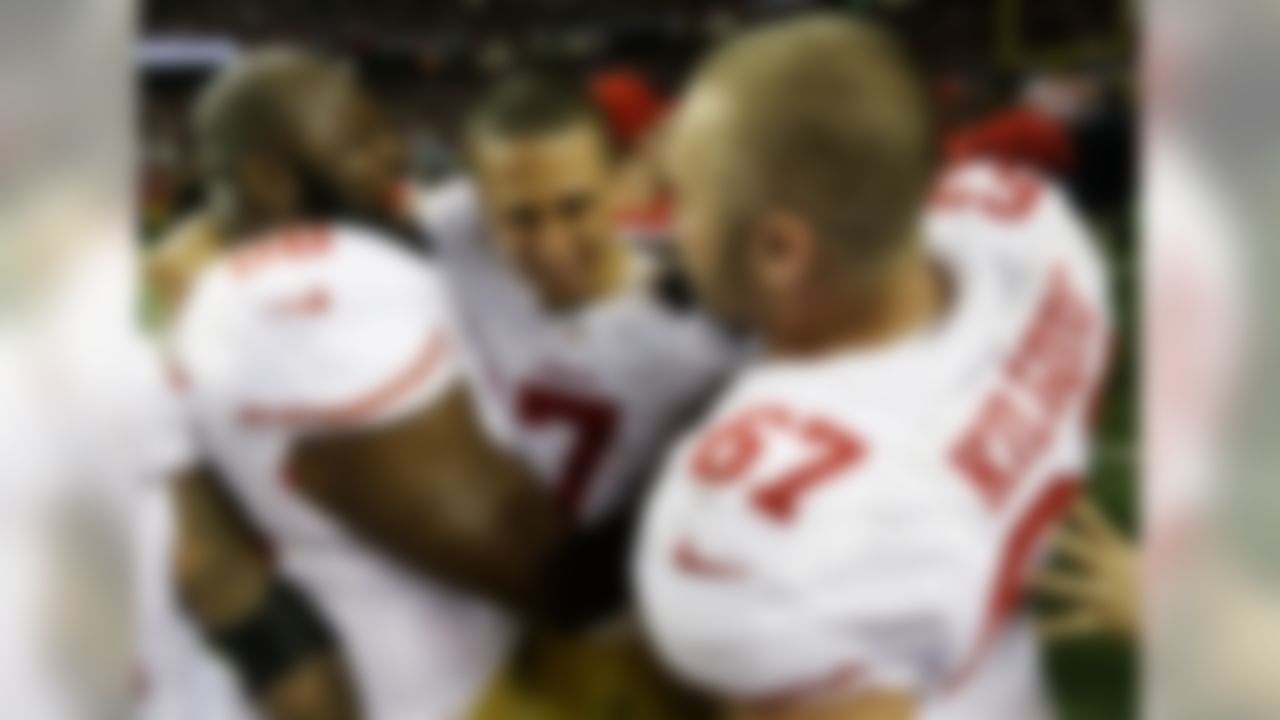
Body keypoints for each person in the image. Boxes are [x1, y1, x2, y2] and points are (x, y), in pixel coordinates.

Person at [635, 14, 1112, 720]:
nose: (674, 226)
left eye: (688, 198)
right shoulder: (1034, 230)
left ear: (780, 251)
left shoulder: (755, 511)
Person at [414, 69, 737, 719]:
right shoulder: (448, 232)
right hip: (474, 619)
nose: (554, 244)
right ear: (477, 202)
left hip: (616, 631)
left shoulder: (707, 332)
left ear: (620, 182)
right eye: (521, 219)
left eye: (575, 207)